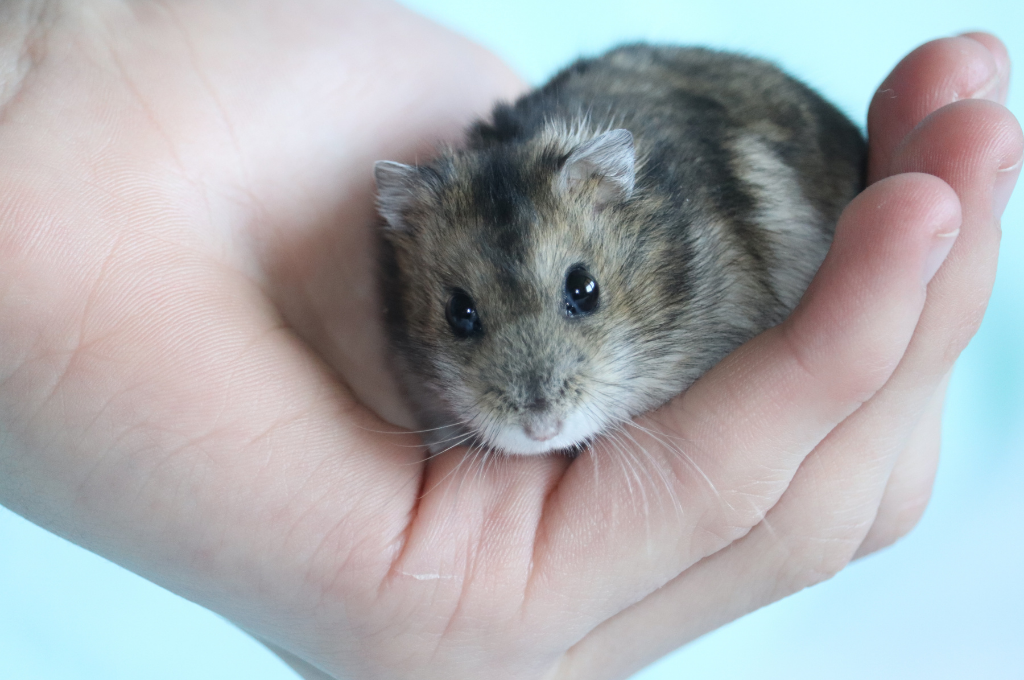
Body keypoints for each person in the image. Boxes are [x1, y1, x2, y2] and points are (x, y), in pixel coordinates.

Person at [0, 2, 1019, 678]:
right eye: (468, 319)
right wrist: (46, 60)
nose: (536, 393)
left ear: (620, 221)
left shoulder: (674, 245)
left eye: (579, 294)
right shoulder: (420, 235)